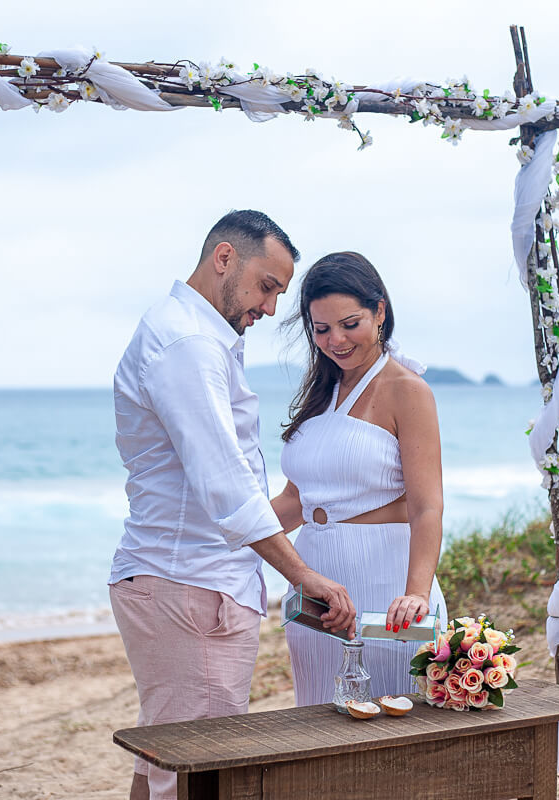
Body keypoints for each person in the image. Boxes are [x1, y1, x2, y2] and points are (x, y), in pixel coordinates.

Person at [108, 211, 356, 800]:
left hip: (184, 583)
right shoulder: (188, 344)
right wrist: (302, 575)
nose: (271, 309)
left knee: (164, 764)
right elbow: (226, 483)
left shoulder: (194, 335)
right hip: (191, 588)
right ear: (225, 258)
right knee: (200, 775)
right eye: (267, 287)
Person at [272, 251, 446, 705]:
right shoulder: (321, 393)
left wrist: (416, 593)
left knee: (390, 726)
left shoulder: (408, 391)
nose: (336, 340)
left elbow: (427, 506)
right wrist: (226, 534)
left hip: (385, 585)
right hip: (316, 588)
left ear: (380, 312)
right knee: (317, 719)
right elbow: (296, 501)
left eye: (350, 324)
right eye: (322, 329)